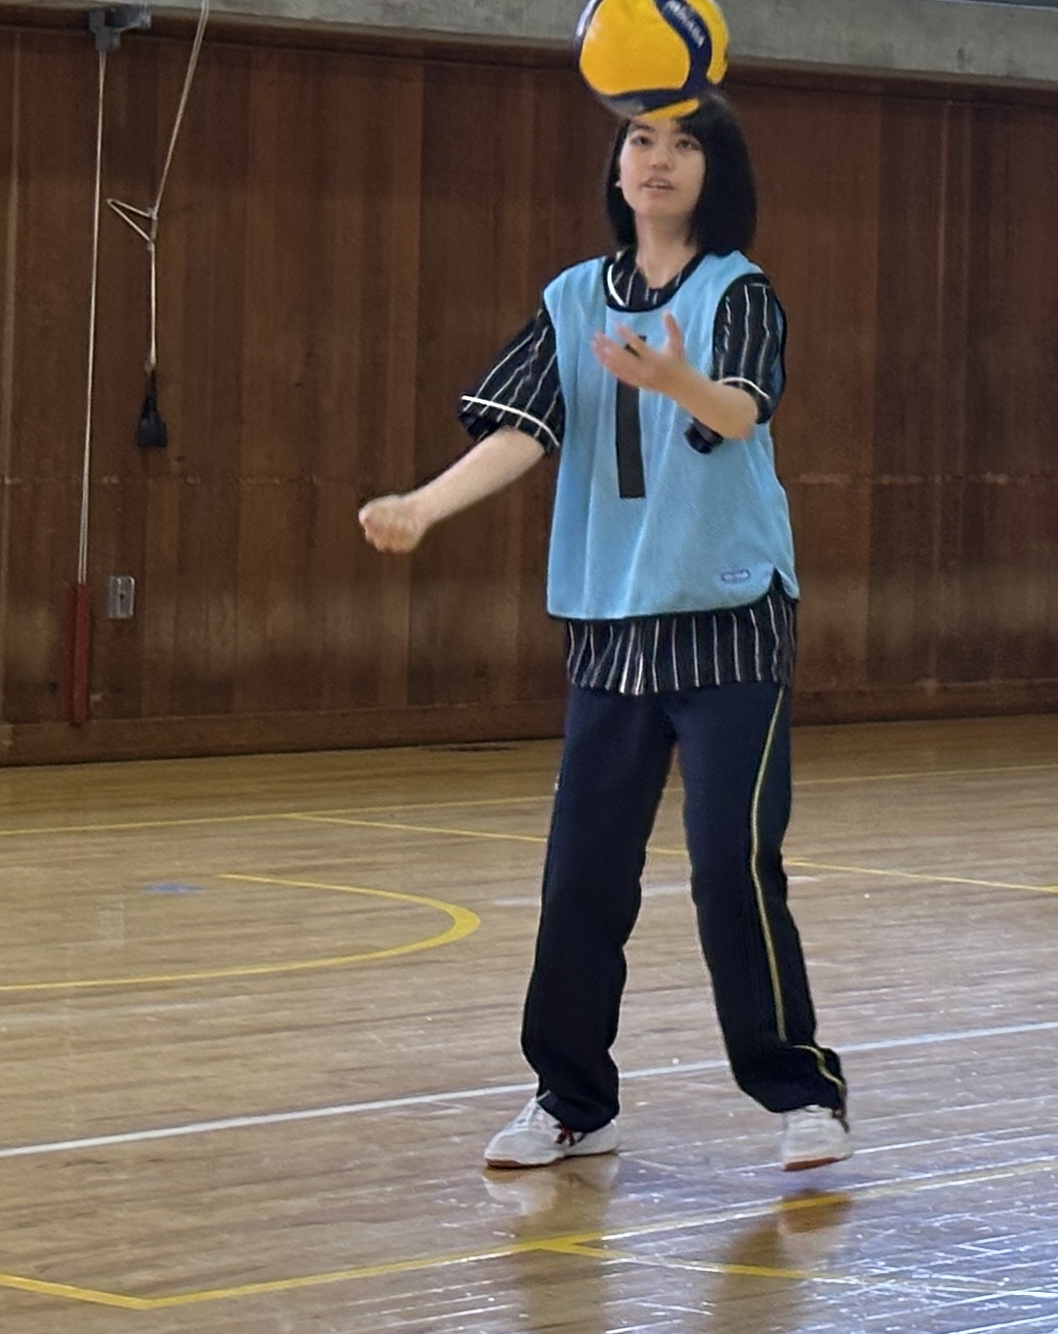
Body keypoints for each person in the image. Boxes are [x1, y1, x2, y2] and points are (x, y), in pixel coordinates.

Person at [356, 92, 852, 1175]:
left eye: (684, 144)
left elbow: (740, 411)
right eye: (641, 140)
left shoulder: (739, 292)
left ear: (716, 170)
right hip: (610, 628)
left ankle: (800, 1092)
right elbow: (522, 430)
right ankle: (572, 1100)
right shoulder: (572, 298)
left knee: (730, 865)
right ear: (617, 168)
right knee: (581, 874)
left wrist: (674, 376)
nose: (659, 160)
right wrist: (425, 507)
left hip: (730, 621)